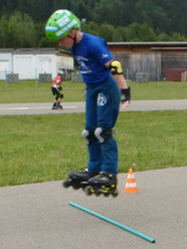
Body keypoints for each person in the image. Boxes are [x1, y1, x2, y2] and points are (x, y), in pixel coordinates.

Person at [45, 10, 130, 197]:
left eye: (61, 39)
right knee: (89, 132)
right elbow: (89, 69)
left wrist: (125, 92)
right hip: (92, 89)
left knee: (103, 131)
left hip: (107, 88)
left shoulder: (93, 43)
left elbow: (114, 66)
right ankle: (93, 169)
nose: (60, 44)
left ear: (73, 31)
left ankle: (109, 174)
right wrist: (88, 88)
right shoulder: (74, 47)